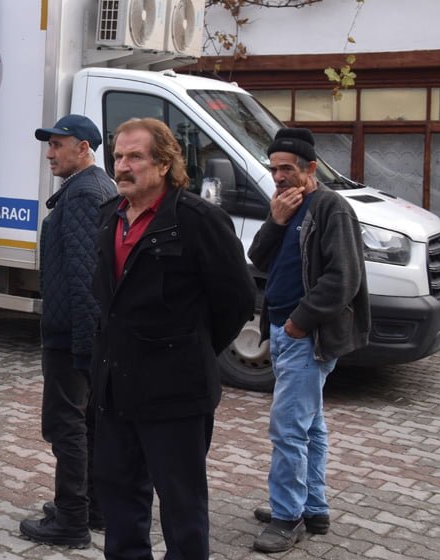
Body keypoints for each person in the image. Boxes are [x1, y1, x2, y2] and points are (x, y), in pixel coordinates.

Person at [89, 118, 256, 559]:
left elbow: (236, 301)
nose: (122, 166)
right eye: (118, 156)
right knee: (119, 498)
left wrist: (188, 350)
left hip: (176, 395)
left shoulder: (198, 220)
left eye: (135, 157)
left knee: (182, 510)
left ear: (164, 164)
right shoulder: (109, 217)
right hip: (115, 390)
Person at [248, 128, 369, 553]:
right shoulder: (286, 206)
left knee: (287, 429)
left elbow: (343, 278)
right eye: (274, 168)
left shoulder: (330, 208)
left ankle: (287, 517)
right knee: (310, 426)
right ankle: (312, 507)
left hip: (306, 336)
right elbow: (258, 259)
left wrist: (301, 321)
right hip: (283, 332)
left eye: (287, 169)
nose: (278, 176)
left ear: (310, 168)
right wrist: (275, 221)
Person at [19, 115, 115, 548]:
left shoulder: (83, 195)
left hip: (72, 337)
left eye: (58, 145)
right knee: (87, 422)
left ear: (83, 148)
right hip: (83, 335)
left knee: (67, 425)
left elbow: (84, 278)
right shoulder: (93, 189)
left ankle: (72, 520)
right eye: (49, 145)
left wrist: (80, 348)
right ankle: (91, 507)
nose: (50, 153)